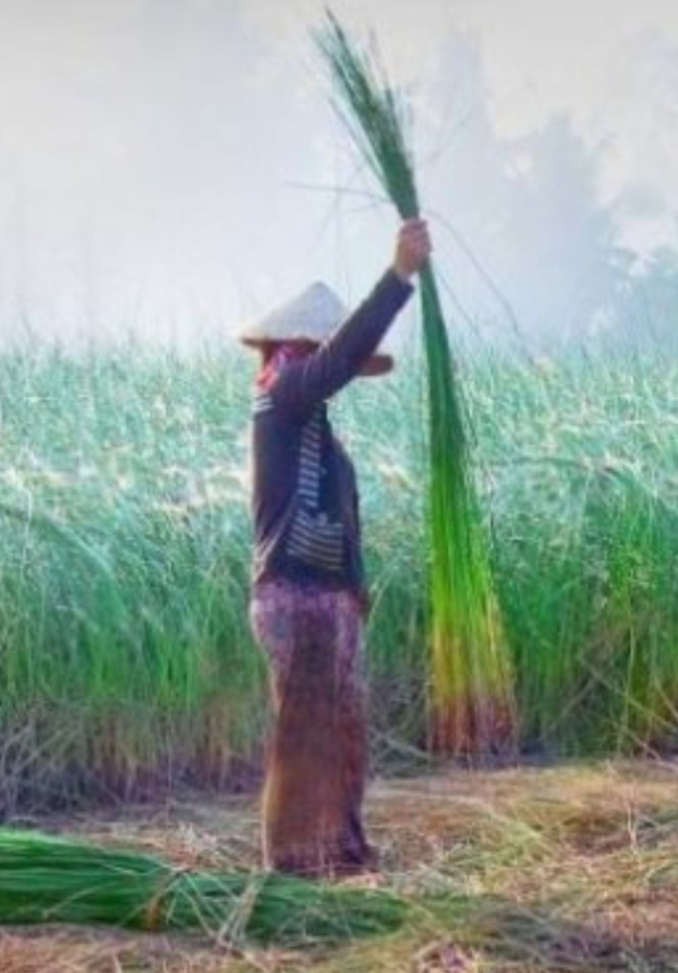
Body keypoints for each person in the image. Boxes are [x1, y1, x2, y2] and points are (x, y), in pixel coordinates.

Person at [239, 218, 429, 876]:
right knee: (304, 735)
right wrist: (398, 277)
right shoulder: (280, 395)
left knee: (344, 729)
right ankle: (290, 869)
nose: (323, 365)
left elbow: (340, 518)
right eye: (315, 352)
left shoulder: (310, 421)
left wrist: (356, 588)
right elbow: (341, 357)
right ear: (294, 347)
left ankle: (342, 854)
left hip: (328, 599)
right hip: (294, 594)